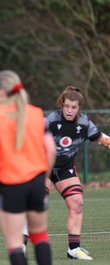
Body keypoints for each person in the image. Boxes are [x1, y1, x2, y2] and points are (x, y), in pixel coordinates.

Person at [0, 70, 57, 265]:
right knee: (40, 235)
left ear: (0, 91)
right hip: (36, 183)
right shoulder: (37, 113)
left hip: (10, 183)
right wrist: (42, 178)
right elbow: (51, 151)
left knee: (15, 242)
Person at [45, 86, 110, 260]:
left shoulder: (84, 123)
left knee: (77, 203)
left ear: (79, 107)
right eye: (66, 106)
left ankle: (74, 250)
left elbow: (102, 139)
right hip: (42, 166)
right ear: (62, 104)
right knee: (38, 205)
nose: (69, 110)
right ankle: (20, 246)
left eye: (73, 107)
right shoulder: (50, 121)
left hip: (65, 167)